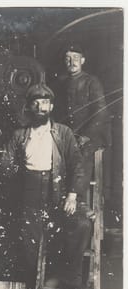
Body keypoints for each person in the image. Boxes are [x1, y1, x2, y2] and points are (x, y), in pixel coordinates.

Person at [0, 83, 92, 289]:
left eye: (46, 103)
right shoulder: (20, 135)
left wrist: (72, 195)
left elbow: (78, 165)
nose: (41, 107)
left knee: (81, 225)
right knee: (29, 247)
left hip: (57, 194)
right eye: (36, 103)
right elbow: (7, 168)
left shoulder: (63, 133)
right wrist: (3, 161)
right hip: (29, 198)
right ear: (29, 107)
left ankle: (71, 279)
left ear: (51, 106)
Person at [52, 44, 110, 196]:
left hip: (90, 134)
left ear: (83, 60)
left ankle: (76, 199)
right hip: (68, 134)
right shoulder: (61, 82)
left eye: (76, 58)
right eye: (68, 58)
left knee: (80, 153)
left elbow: (100, 112)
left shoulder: (92, 81)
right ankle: (58, 198)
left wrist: (85, 135)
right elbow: (56, 111)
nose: (72, 62)